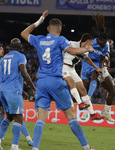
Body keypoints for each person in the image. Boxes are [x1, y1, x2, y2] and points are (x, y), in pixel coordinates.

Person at [21, 10, 94, 150]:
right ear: (60, 30)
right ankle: (86, 147)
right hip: (55, 80)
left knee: (41, 118)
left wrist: (39, 20)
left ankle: (35, 148)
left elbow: (23, 33)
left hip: (41, 82)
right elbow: (72, 51)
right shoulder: (60, 39)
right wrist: (86, 50)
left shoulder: (40, 39)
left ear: (48, 29)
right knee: (71, 116)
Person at [0, 39, 36, 150]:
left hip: (2, 91)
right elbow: (24, 72)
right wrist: (33, 88)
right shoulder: (20, 56)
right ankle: (14, 146)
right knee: (19, 118)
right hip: (13, 90)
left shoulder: (4, 58)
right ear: (20, 47)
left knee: (9, 117)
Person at [63, 33, 105, 120]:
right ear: (88, 41)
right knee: (71, 83)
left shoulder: (85, 50)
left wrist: (96, 68)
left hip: (72, 69)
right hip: (62, 66)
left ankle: (92, 114)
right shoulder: (71, 43)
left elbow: (86, 59)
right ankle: (79, 103)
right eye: (92, 42)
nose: (92, 44)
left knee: (82, 89)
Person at [81, 13, 115, 122]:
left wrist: (100, 68)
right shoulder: (92, 42)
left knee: (109, 88)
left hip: (98, 65)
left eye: (106, 43)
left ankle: (103, 109)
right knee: (85, 86)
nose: (104, 44)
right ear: (98, 39)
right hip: (87, 63)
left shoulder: (105, 46)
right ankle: (86, 112)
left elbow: (102, 57)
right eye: (102, 42)